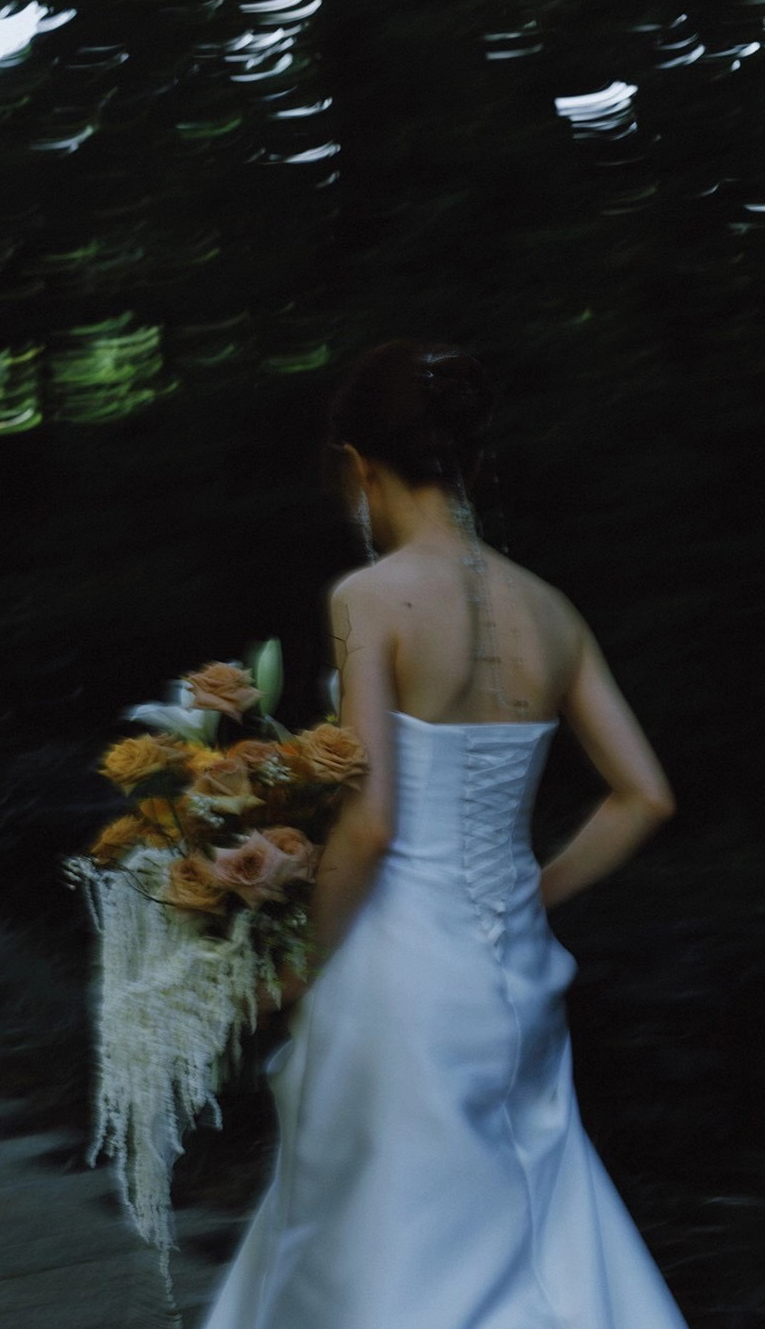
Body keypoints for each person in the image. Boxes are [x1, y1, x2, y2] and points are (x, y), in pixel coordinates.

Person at [198, 340, 688, 1329]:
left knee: (381, 1259)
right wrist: (533, 892)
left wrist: (295, 969)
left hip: (398, 985)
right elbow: (646, 796)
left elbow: (373, 824)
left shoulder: (369, 599)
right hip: (514, 975)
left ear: (358, 466)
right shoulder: (551, 610)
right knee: (522, 1239)